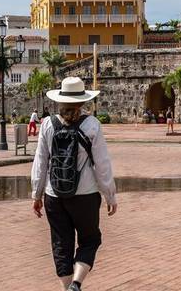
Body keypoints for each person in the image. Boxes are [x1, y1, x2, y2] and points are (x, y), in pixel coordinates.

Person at [31, 77, 117, 291]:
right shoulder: (92, 125)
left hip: (54, 195)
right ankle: (76, 284)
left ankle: (67, 287)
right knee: (90, 240)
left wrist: (37, 194)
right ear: (82, 102)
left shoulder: (48, 124)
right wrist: (109, 195)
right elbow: (102, 164)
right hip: (85, 195)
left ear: (60, 100)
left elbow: (41, 162)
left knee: (61, 243)